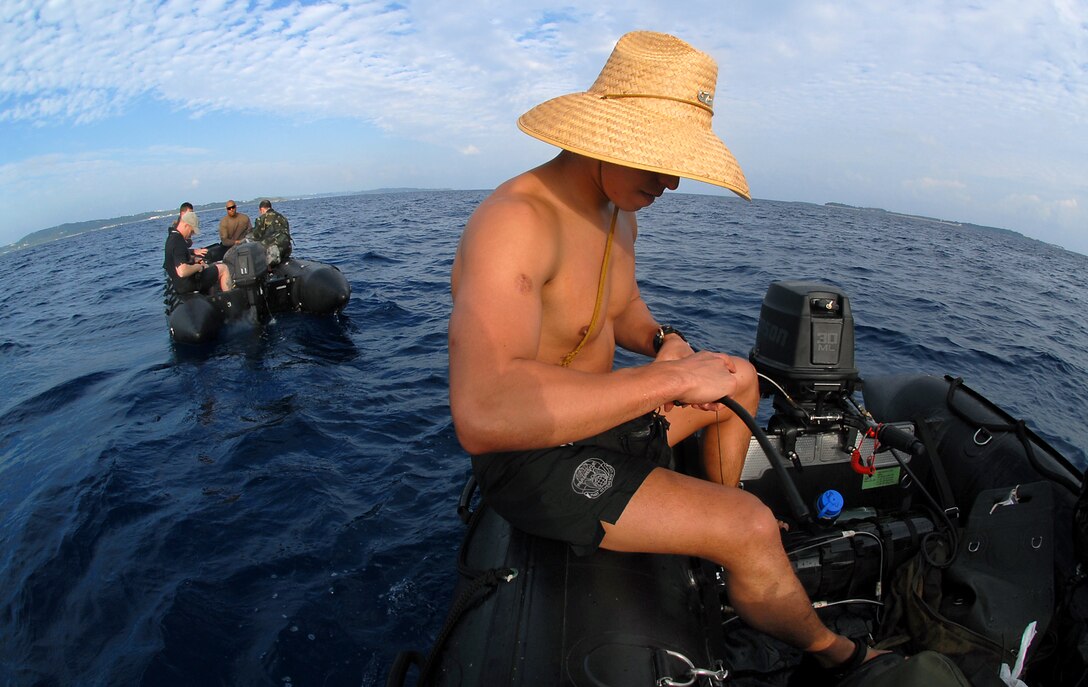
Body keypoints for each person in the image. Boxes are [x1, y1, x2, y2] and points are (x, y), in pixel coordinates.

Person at [447, 31, 884, 675]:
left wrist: (659, 343)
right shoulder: (515, 223)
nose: (672, 181)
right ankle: (834, 652)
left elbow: (618, 310)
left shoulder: (618, 210)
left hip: (599, 428)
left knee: (739, 378)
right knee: (752, 526)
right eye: (660, 161)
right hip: (533, 462)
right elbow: (483, 414)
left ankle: (708, 530)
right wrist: (669, 380)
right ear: (609, 137)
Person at [164, 209, 231, 294]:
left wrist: (194, 259)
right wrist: (199, 267)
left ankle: (212, 297)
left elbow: (178, 259)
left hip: (179, 284)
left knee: (211, 268)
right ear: (186, 225)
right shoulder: (178, 241)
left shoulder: (172, 237)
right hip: (187, 284)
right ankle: (229, 299)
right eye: (192, 231)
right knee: (223, 268)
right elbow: (182, 271)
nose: (191, 235)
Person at [251, 199, 292, 266]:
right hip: (288, 248)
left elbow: (256, 236)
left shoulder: (262, 219)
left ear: (261, 209)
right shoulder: (282, 217)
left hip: (274, 250)